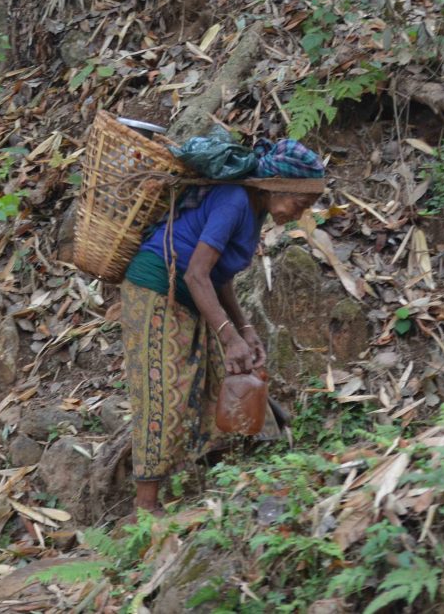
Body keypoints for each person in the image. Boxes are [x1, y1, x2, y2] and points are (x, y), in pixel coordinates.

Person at [119, 147, 326, 514]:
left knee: (218, 379)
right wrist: (229, 337)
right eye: (301, 200)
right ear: (276, 185)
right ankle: (145, 509)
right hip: (156, 289)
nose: (302, 212)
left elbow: (220, 276)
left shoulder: (255, 209)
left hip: (192, 293)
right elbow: (196, 273)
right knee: (163, 391)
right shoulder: (233, 201)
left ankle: (214, 484)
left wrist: (245, 330)